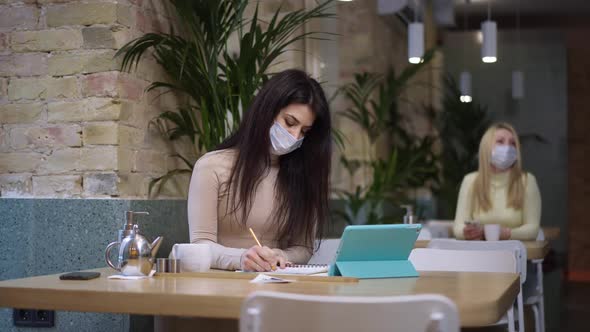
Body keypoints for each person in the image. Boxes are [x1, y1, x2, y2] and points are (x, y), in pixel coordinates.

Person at [187, 69, 332, 272]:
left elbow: (303, 247)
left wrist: (282, 255)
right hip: (221, 285)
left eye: (304, 131)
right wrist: (241, 258)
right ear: (266, 111)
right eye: (290, 122)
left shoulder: (303, 175)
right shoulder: (211, 167)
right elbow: (200, 245)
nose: (295, 136)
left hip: (277, 284)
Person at [453, 122, 542, 240]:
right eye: (500, 142)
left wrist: (506, 233)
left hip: (514, 255)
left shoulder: (527, 181)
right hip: (477, 254)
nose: (508, 147)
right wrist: (467, 232)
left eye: (513, 143)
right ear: (486, 148)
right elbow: (458, 227)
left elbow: (533, 229)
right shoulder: (470, 181)